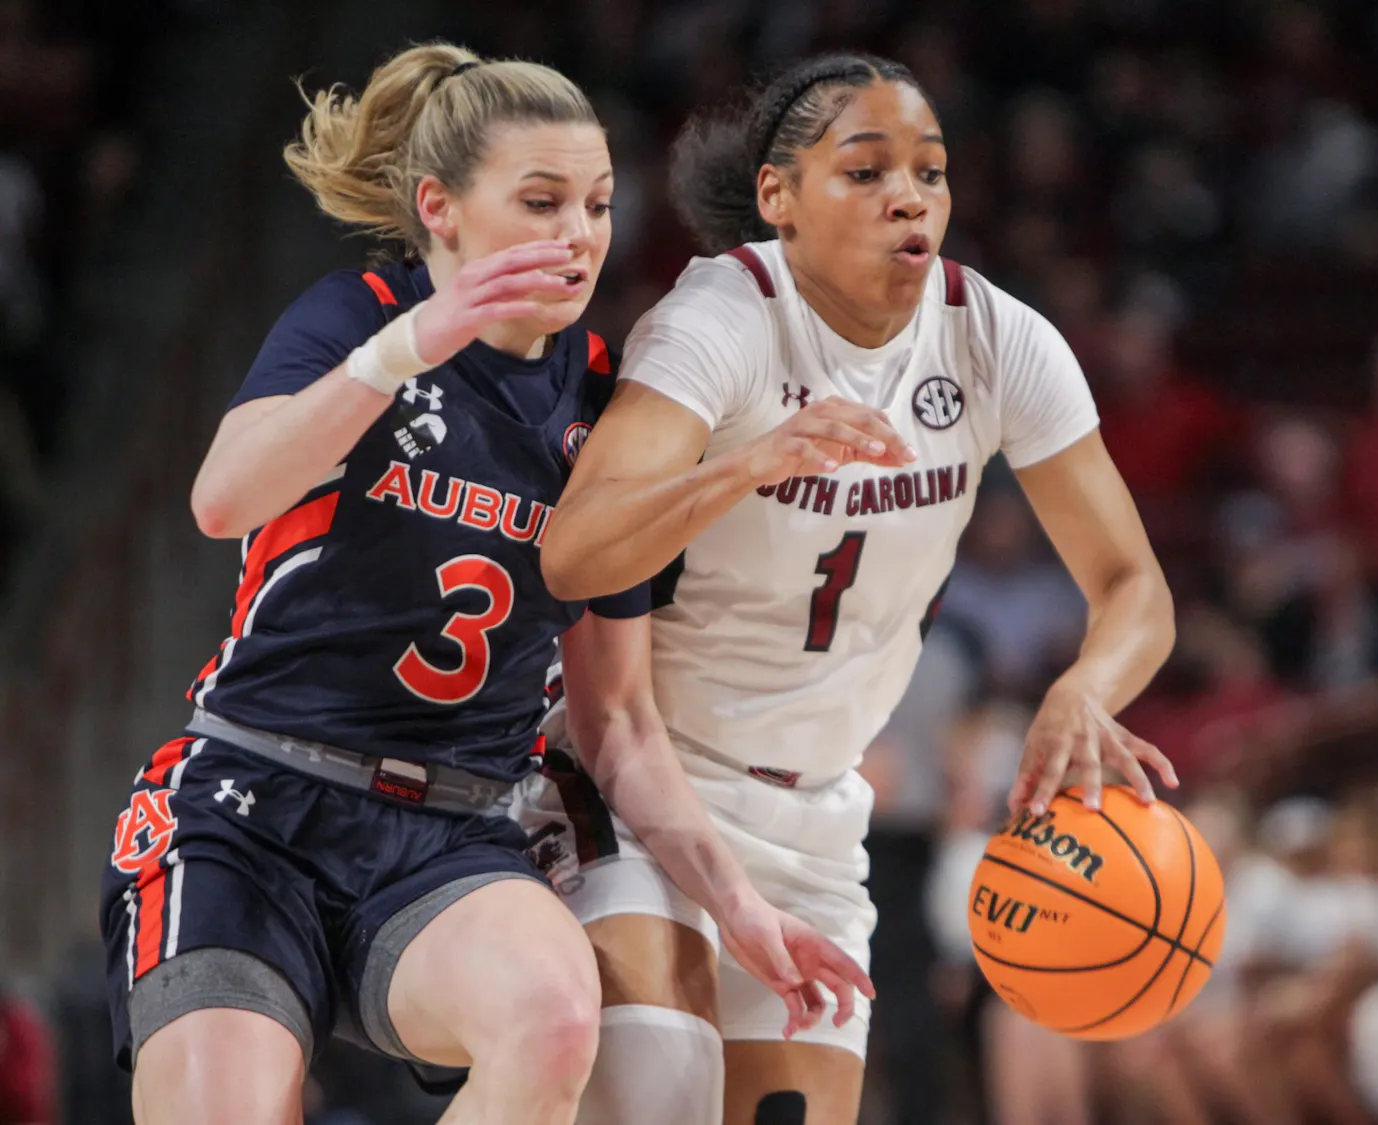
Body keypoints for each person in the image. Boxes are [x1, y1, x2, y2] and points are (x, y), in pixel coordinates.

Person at [99, 42, 867, 1125]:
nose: (579, 236)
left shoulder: (606, 406)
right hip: (250, 804)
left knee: (554, 1017)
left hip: (447, 830)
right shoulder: (359, 314)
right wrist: (410, 346)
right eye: (543, 202)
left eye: (599, 205)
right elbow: (223, 501)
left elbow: (621, 725)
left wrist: (740, 906)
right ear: (441, 209)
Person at [533, 52, 1179, 1125]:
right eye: (868, 171)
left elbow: (1135, 589)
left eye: (930, 171)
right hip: (642, 781)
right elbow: (577, 552)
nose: (909, 197)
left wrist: (1085, 691)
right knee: (657, 1091)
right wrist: (745, 463)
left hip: (819, 818)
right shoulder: (721, 321)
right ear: (780, 201)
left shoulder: (996, 338)